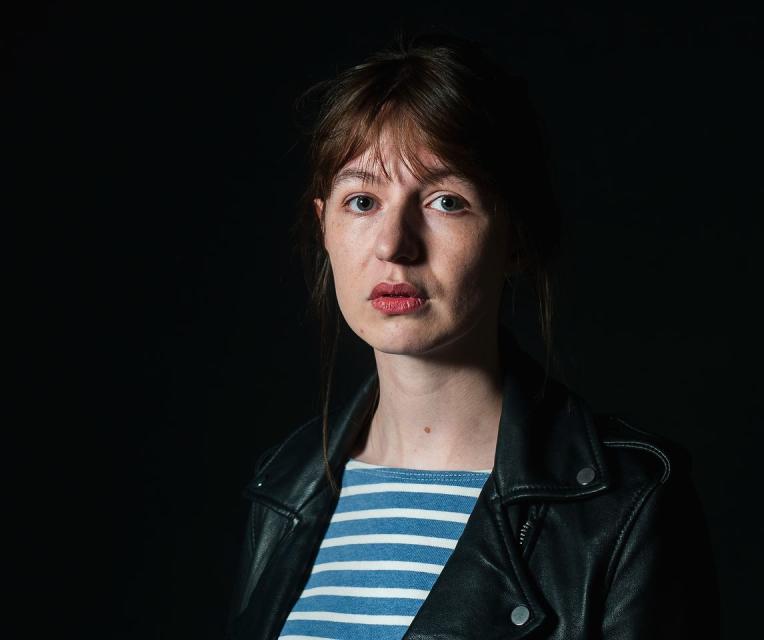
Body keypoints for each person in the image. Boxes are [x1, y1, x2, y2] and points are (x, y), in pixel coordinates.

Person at [227, 30, 721, 640]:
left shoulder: (624, 504)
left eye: (445, 201)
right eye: (362, 201)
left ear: (515, 235)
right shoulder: (287, 483)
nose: (393, 245)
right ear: (324, 225)